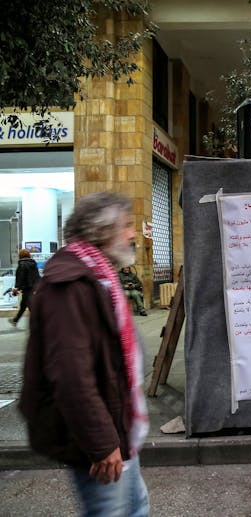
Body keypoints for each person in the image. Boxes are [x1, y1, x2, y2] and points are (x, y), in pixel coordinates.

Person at [20, 192, 150, 516]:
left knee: (136, 509)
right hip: (100, 442)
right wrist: (102, 444)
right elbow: (71, 376)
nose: (133, 235)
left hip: (119, 433)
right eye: (127, 226)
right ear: (102, 232)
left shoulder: (99, 278)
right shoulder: (71, 286)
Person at [7, 248, 40, 327]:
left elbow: (20, 277)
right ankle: (15, 320)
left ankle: (41, 323)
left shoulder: (22, 265)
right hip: (33, 288)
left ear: (20, 256)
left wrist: (17, 287)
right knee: (24, 305)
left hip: (26, 288)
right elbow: (37, 276)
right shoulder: (33, 264)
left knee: (30, 306)